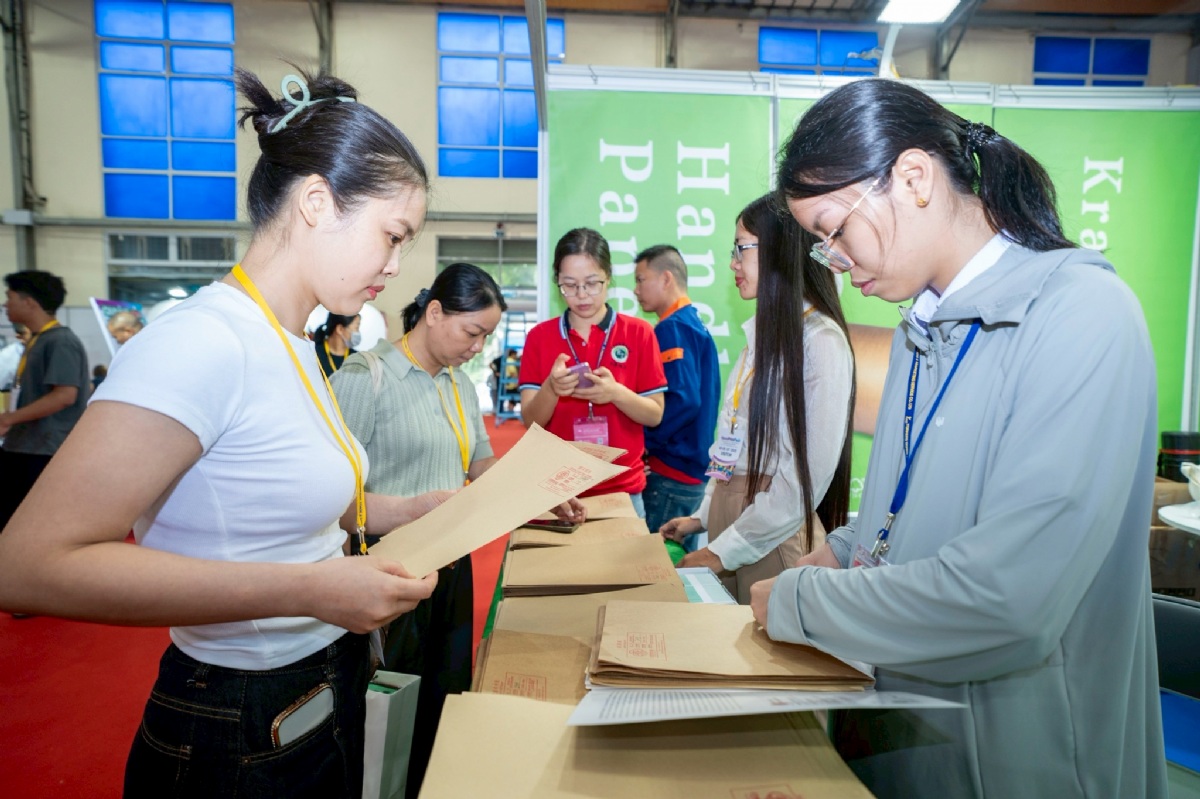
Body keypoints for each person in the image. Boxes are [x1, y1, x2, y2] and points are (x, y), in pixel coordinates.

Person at [0, 67, 448, 798]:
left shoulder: (292, 343)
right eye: (392, 236)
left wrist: (414, 509)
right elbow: (26, 566)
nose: (396, 267)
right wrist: (310, 589)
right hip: (236, 715)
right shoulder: (204, 341)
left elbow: (282, 502)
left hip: (319, 684)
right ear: (316, 202)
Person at [751, 78, 1166, 798]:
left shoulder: (1083, 315)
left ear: (913, 178)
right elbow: (921, 500)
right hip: (905, 739)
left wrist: (800, 601)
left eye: (835, 231)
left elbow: (1008, 601)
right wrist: (846, 548)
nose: (836, 263)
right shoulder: (923, 330)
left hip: (1024, 760)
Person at [658, 197, 854, 603]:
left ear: (781, 250)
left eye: (741, 248)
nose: (732, 263)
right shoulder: (761, 338)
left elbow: (800, 482)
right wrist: (702, 516)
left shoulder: (819, 342)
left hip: (770, 537)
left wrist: (717, 553)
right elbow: (733, 450)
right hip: (738, 528)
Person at [519, 227, 667, 516]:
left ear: (608, 277)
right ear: (557, 282)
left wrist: (615, 393)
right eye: (569, 285)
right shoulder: (540, 337)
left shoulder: (639, 333)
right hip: (558, 494)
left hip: (623, 492)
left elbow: (654, 415)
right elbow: (530, 422)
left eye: (591, 283)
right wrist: (551, 389)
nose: (581, 295)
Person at [633, 244, 721, 539]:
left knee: (657, 559)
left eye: (641, 280)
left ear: (666, 278)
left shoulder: (672, 329)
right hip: (690, 469)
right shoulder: (693, 324)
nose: (636, 290)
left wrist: (645, 442)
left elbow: (683, 400)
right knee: (680, 558)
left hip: (671, 469)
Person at [0, 271, 90, 530]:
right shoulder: (39, 340)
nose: (5, 304)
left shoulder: (61, 341)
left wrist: (9, 419)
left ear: (29, 302)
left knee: (28, 524)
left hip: (43, 449)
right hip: (25, 445)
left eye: (10, 297)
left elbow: (65, 395)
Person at [314, 310, 361, 377]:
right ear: (340, 329)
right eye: (356, 328)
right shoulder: (314, 354)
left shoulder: (357, 358)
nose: (358, 333)